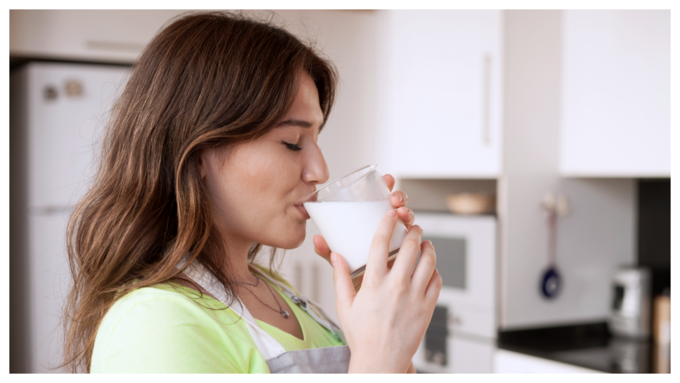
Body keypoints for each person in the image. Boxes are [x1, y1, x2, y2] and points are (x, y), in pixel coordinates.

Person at [63, 11, 441, 373]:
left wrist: (383, 311)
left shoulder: (278, 293)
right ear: (196, 157)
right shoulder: (154, 326)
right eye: (293, 142)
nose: (320, 171)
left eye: (316, 139)